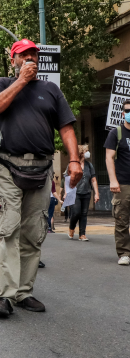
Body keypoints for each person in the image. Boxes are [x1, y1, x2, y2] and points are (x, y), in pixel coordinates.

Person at [0, 38, 81, 316]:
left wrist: (73, 160)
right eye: (23, 55)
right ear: (13, 59)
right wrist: (21, 82)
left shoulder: (51, 90)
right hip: (7, 167)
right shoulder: (3, 83)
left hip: (41, 169)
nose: (30, 59)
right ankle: (4, 295)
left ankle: (23, 292)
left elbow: (66, 128)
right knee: (7, 230)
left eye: (34, 55)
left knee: (33, 233)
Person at [104, 98, 130, 265]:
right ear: (122, 113)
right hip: (123, 183)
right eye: (127, 110)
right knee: (122, 219)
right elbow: (109, 157)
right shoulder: (116, 133)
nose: (129, 113)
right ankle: (124, 253)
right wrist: (113, 180)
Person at [66, 145, 99, 241]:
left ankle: (82, 234)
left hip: (86, 192)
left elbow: (93, 180)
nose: (88, 153)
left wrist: (96, 193)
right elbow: (67, 179)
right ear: (81, 152)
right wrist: (65, 193)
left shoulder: (89, 165)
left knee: (84, 213)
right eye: (86, 151)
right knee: (76, 212)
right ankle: (71, 227)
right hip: (74, 193)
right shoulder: (72, 165)